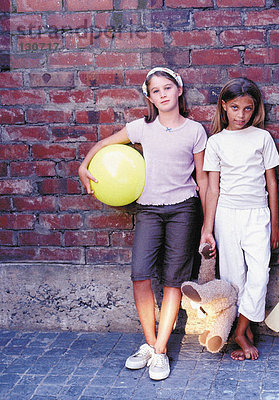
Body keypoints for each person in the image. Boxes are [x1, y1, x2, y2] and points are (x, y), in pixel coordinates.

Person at [78, 67, 208, 380]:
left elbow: (202, 180)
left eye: (167, 88)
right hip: (149, 210)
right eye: (156, 91)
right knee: (140, 275)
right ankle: (149, 344)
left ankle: (160, 351)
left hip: (184, 210)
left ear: (178, 89)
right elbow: (104, 145)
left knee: (173, 279)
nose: (163, 94)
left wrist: (207, 226)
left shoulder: (195, 131)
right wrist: (84, 166)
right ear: (149, 97)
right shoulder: (141, 129)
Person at [200, 77, 279, 361]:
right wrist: (207, 229)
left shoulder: (262, 138)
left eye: (247, 109)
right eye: (235, 108)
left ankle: (241, 329)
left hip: (258, 215)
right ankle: (240, 332)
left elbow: (272, 183)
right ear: (224, 107)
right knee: (235, 278)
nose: (241, 115)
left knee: (260, 274)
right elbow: (212, 188)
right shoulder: (216, 142)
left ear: (254, 109)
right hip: (227, 216)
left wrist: (274, 224)